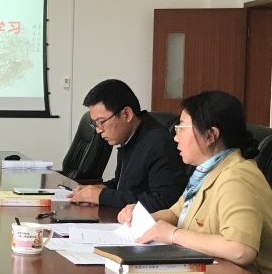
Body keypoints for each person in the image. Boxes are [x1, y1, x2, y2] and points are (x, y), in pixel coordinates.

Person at [119, 90, 272, 274]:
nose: (175, 137)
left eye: (181, 128)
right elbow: (176, 213)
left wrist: (173, 235)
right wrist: (142, 217)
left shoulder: (237, 177)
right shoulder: (206, 172)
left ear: (210, 135)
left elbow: (240, 249)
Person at [69, 79, 187, 211]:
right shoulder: (131, 136)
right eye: (95, 123)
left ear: (127, 114)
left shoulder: (159, 144)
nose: (98, 130)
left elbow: (164, 201)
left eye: (101, 122)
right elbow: (123, 185)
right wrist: (99, 189)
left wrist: (102, 196)